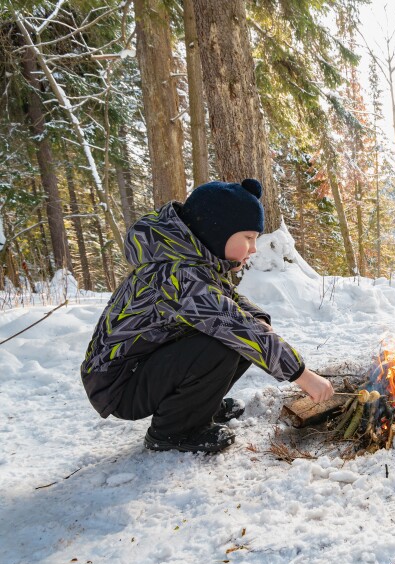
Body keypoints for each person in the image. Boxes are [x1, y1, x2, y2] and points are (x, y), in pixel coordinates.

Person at [81, 179, 333, 453]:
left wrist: (259, 319)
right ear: (217, 232)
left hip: (140, 368)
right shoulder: (180, 275)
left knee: (241, 337)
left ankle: (197, 408)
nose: (254, 248)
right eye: (248, 238)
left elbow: (232, 303)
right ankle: (173, 430)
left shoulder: (193, 260)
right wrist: (304, 376)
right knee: (227, 341)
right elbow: (235, 325)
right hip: (119, 385)